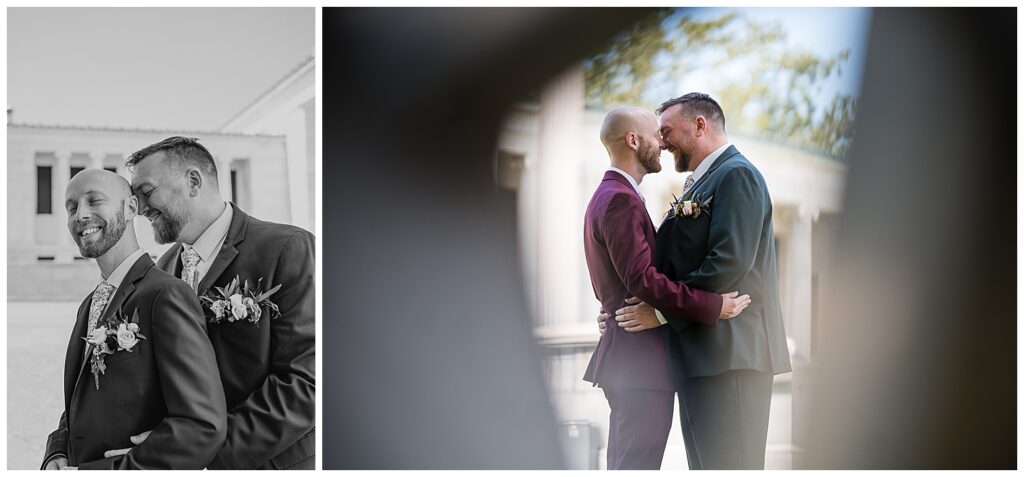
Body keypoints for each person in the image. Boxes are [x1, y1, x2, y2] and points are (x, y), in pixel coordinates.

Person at [603, 93, 792, 469]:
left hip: (733, 356)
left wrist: (659, 313)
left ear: (700, 125)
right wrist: (617, 307)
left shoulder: (736, 175)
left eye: (668, 131)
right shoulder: (702, 182)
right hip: (701, 357)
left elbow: (729, 263)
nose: (663, 142)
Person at [119, 136, 315, 470]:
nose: (140, 209)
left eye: (147, 192)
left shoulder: (287, 248)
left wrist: (203, 453)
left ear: (193, 182)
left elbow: (306, 382)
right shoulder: (161, 270)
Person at [583, 107, 751, 470]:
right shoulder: (620, 199)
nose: (662, 143)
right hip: (640, 364)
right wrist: (711, 305)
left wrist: (612, 306)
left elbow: (622, 277)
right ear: (632, 140)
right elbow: (642, 279)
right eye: (655, 135)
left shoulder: (610, 194)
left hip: (633, 361)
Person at [41, 169, 226, 470]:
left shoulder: (165, 294)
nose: (80, 215)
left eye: (94, 201)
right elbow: (82, 397)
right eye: (71, 208)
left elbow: (202, 425)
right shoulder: (89, 304)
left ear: (130, 208)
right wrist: (57, 451)